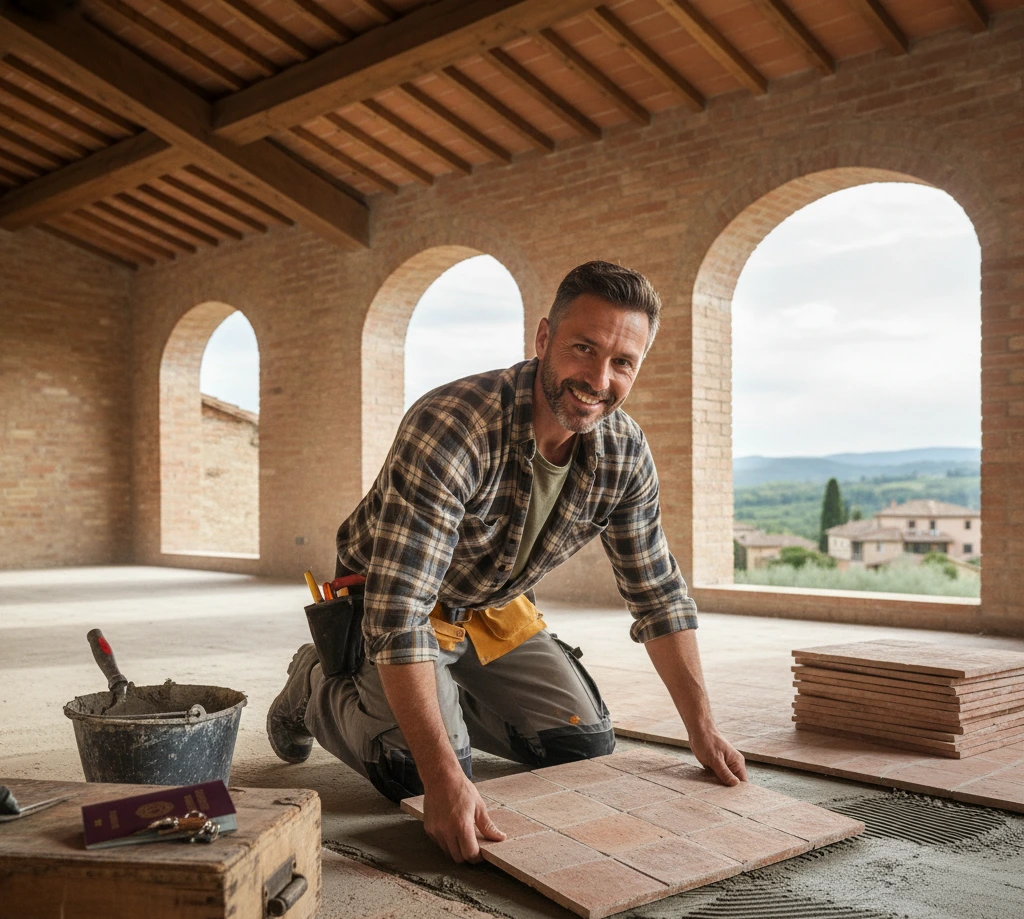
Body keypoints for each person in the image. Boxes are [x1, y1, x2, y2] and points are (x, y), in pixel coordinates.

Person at [268, 260, 746, 864]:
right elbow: (400, 612)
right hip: (392, 599)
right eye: (583, 349)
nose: (599, 379)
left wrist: (701, 728)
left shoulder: (623, 452)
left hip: (489, 600)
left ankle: (434, 704)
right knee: (415, 774)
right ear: (544, 339)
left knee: (585, 744)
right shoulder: (453, 425)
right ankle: (314, 682)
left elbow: (657, 592)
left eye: (623, 362)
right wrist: (444, 779)